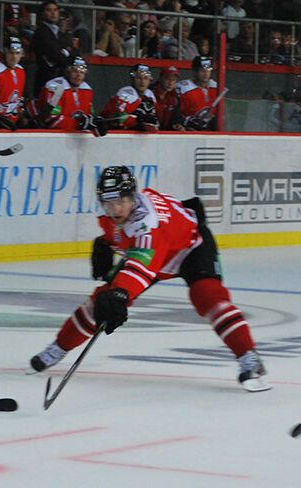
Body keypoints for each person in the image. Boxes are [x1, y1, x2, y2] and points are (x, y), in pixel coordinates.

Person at [29, 167, 271, 393]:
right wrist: (104, 244)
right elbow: (121, 239)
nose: (116, 210)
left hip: (189, 248)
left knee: (208, 296)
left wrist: (120, 293)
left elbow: (142, 268)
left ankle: (249, 358)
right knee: (100, 302)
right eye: (109, 203)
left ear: (132, 197)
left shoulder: (147, 222)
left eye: (121, 202)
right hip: (153, 255)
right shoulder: (109, 216)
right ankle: (59, 347)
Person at [27, 57, 107, 135]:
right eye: (75, 71)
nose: (78, 75)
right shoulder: (56, 87)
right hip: (38, 131)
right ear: (67, 72)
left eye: (82, 72)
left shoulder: (87, 90)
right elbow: (50, 120)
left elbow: (88, 115)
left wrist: (95, 124)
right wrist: (78, 124)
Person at [30, 0, 79, 99]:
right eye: (49, 10)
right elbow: (56, 55)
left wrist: (65, 52)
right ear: (42, 14)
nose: (53, 13)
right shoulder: (41, 33)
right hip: (46, 79)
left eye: (55, 10)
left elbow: (75, 53)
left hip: (62, 79)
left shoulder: (62, 34)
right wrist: (66, 51)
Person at [101, 64, 159, 132]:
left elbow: (154, 121)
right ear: (132, 79)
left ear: (150, 80)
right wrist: (138, 122)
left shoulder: (150, 96)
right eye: (138, 77)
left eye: (145, 78)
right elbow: (117, 120)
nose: (142, 82)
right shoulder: (125, 93)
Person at [177, 56, 220, 131]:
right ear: (194, 71)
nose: (206, 73)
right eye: (202, 70)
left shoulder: (217, 88)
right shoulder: (184, 89)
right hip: (190, 132)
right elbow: (176, 115)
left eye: (208, 70)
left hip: (212, 132)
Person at [152, 65, 183, 131]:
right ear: (160, 78)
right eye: (167, 79)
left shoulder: (175, 97)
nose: (170, 83)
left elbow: (176, 119)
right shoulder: (150, 93)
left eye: (173, 80)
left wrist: (176, 125)